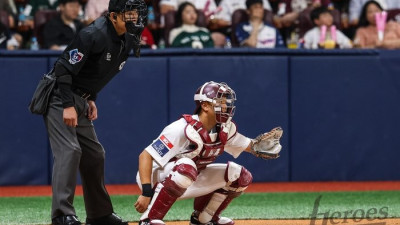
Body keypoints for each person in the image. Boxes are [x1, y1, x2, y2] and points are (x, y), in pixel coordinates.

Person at [40, 0, 147, 224]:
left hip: (81, 98)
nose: (134, 17)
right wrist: (69, 104)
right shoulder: (92, 34)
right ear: (113, 16)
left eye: (136, 12)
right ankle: (62, 215)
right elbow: (63, 69)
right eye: (129, 13)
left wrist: (91, 97)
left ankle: (99, 215)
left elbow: (98, 72)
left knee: (95, 154)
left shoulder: (127, 38)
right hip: (60, 96)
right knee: (70, 151)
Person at [134, 81, 283, 225]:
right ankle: (149, 219)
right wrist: (146, 192)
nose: (225, 106)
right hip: (155, 177)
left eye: (226, 102)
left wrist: (261, 147)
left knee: (240, 175)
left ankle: (204, 218)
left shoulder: (225, 129)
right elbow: (145, 156)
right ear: (204, 105)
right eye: (220, 102)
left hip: (189, 177)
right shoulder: (181, 128)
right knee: (186, 166)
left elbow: (251, 146)